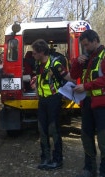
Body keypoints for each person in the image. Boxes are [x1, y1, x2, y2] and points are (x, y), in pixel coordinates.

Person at [70, 29, 105, 177]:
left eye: (86, 45)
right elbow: (73, 74)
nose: (85, 48)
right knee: (86, 135)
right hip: (88, 103)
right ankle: (89, 169)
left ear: (95, 40)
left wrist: (86, 86)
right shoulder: (87, 57)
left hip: (104, 103)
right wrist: (78, 61)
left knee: (103, 139)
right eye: (83, 46)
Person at [32, 39, 74, 170]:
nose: (32, 54)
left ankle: (57, 160)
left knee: (54, 130)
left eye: (34, 52)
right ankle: (45, 158)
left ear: (42, 52)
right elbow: (38, 79)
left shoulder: (55, 64)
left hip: (54, 100)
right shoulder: (37, 64)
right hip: (42, 101)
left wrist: (82, 84)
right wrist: (35, 90)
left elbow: (68, 76)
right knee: (42, 130)